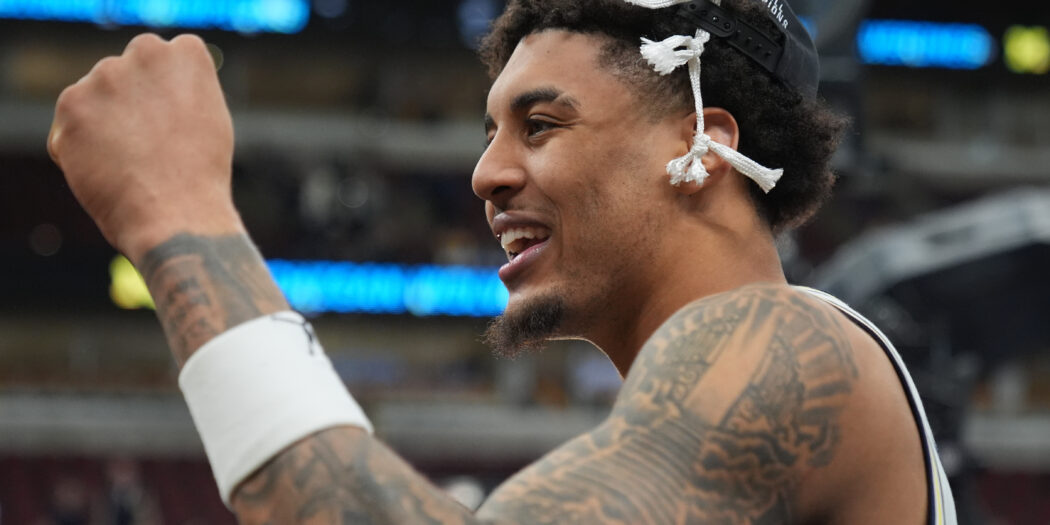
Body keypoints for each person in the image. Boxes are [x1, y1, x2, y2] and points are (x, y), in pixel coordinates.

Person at [47, 0, 957, 523]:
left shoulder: (787, 343)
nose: (486, 174)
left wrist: (182, 216)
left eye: (541, 124)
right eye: (490, 132)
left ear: (703, 146)